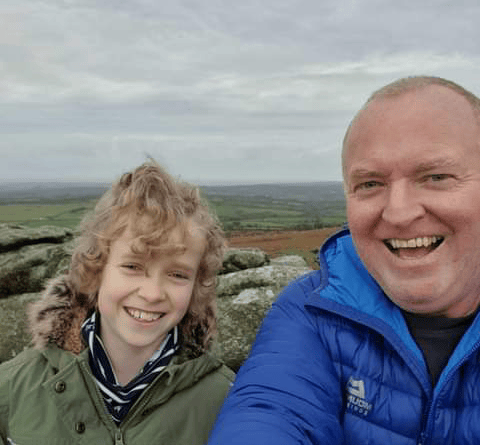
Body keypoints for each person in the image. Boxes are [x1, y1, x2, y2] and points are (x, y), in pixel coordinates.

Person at [208, 76, 480, 444]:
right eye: (370, 184)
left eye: (435, 176)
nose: (398, 213)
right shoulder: (314, 311)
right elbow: (268, 413)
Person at [0, 160, 234, 445]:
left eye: (177, 274)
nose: (152, 293)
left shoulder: (226, 401)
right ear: (97, 269)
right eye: (133, 267)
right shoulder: (12, 388)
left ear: (197, 285)